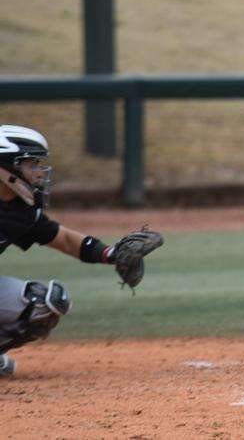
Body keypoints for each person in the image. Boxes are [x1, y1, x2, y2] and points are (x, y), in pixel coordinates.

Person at [0, 125, 162, 377]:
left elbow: (61, 237)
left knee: (45, 303)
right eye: (30, 164)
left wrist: (111, 254)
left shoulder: (20, 209)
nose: (38, 172)